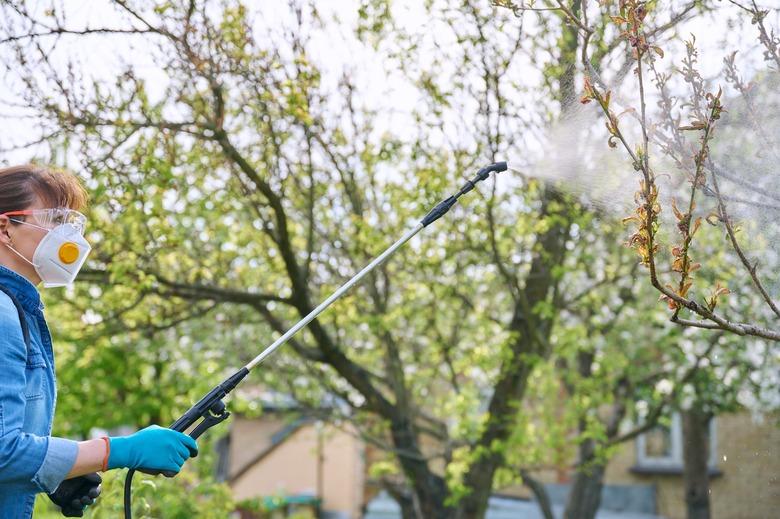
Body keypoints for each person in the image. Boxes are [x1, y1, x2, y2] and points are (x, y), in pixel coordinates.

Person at [0, 165, 198, 518]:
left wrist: (57, 472)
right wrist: (115, 451)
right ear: (5, 227)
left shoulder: (18, 309)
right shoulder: (1, 312)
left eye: (74, 222)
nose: (69, 235)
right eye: (55, 218)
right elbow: (2, 453)